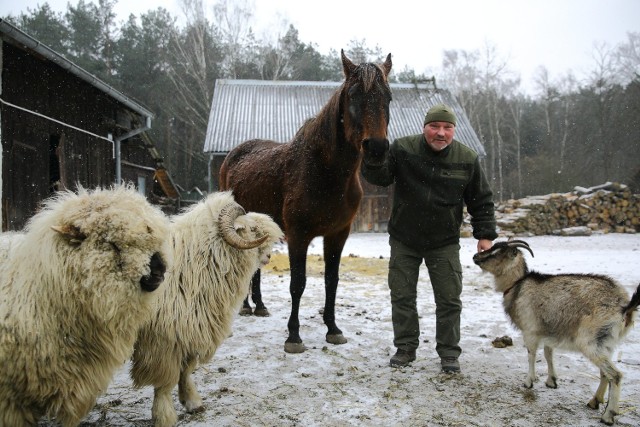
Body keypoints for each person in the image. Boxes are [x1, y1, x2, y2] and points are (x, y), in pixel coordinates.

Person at [361, 104, 498, 373]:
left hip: (443, 242)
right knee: (402, 296)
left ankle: (448, 353)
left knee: (449, 299)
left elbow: (481, 199)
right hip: (405, 238)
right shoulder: (403, 149)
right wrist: (373, 156)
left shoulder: (466, 158)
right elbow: (380, 177)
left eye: (447, 128)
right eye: (434, 126)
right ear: (424, 128)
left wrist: (485, 234)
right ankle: (405, 348)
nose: (440, 133)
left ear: (453, 131)